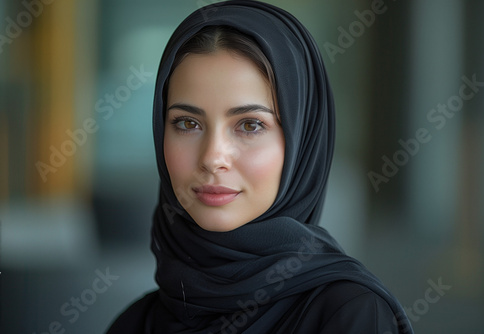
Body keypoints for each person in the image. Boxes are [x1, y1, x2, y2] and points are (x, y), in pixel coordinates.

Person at [107, 1, 414, 333]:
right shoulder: (135, 323)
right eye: (187, 123)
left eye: (250, 126)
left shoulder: (349, 315)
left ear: (302, 143)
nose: (213, 157)